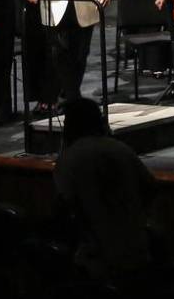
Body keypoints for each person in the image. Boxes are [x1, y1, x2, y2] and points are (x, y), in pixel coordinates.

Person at [51, 99, 157, 281]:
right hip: (136, 253)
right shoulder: (121, 149)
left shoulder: (69, 159)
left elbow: (64, 207)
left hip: (96, 260)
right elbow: (150, 187)